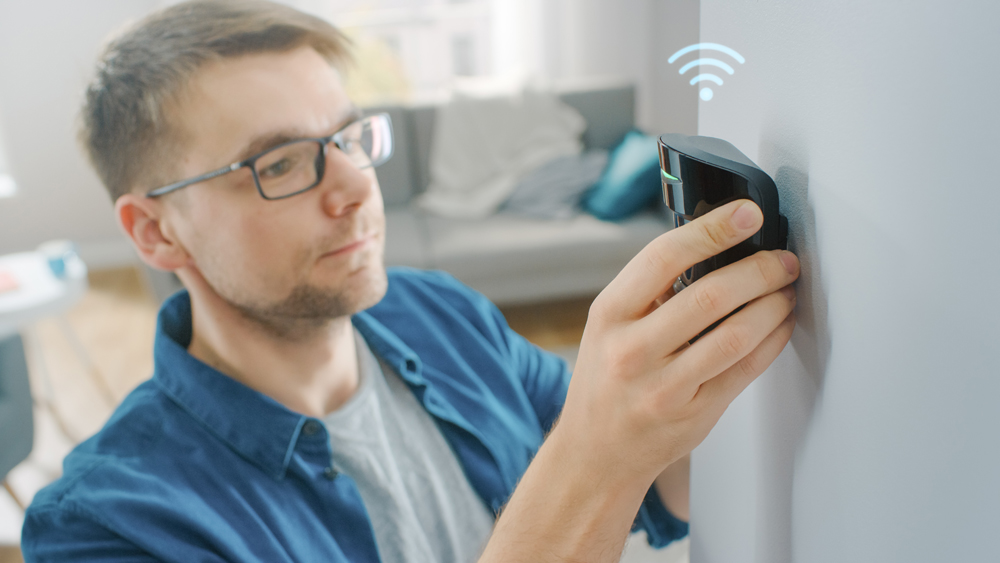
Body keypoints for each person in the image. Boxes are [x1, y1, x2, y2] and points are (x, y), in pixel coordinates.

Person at [20, 1, 799, 561]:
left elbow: (658, 486)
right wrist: (594, 458)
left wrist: (694, 386)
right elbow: (597, 465)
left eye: (349, 136)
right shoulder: (107, 526)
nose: (355, 185)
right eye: (281, 162)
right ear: (155, 231)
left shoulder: (439, 312)